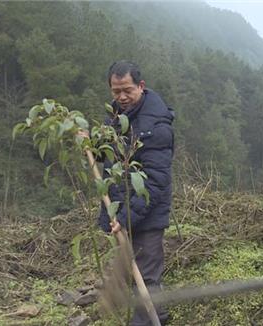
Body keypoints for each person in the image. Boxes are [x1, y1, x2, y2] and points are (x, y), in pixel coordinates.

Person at [98, 61, 174, 326]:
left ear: (141, 86)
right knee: (130, 269)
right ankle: (154, 316)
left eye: (127, 90)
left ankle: (150, 321)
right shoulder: (118, 115)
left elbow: (156, 182)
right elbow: (107, 151)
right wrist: (90, 142)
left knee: (147, 275)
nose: (121, 97)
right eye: (115, 91)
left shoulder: (156, 125)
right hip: (123, 210)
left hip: (148, 212)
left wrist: (128, 215)